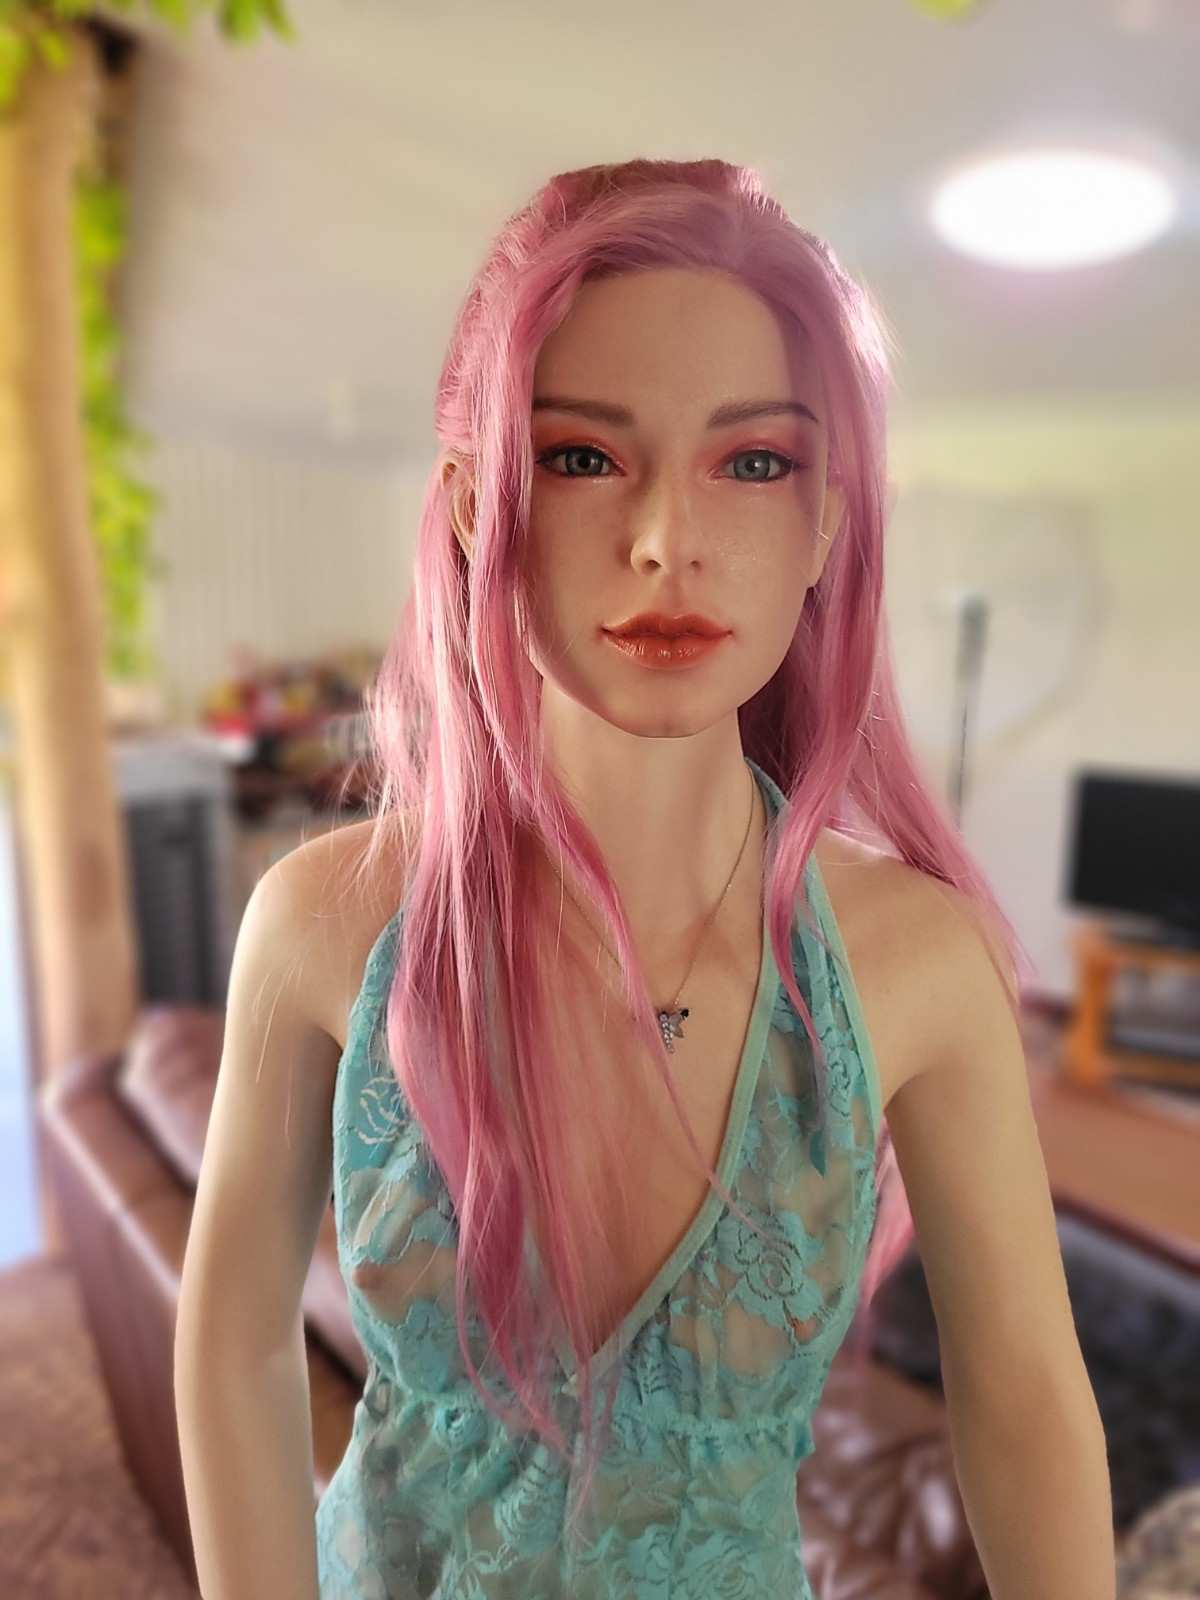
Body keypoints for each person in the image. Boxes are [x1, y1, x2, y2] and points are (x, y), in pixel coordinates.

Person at [175, 158, 1115, 1599]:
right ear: (475, 506)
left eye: (754, 463)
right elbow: (235, 1346)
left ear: (826, 520)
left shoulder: (918, 964)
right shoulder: (323, 926)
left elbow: (1028, 1401)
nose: (669, 541)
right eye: (580, 457)